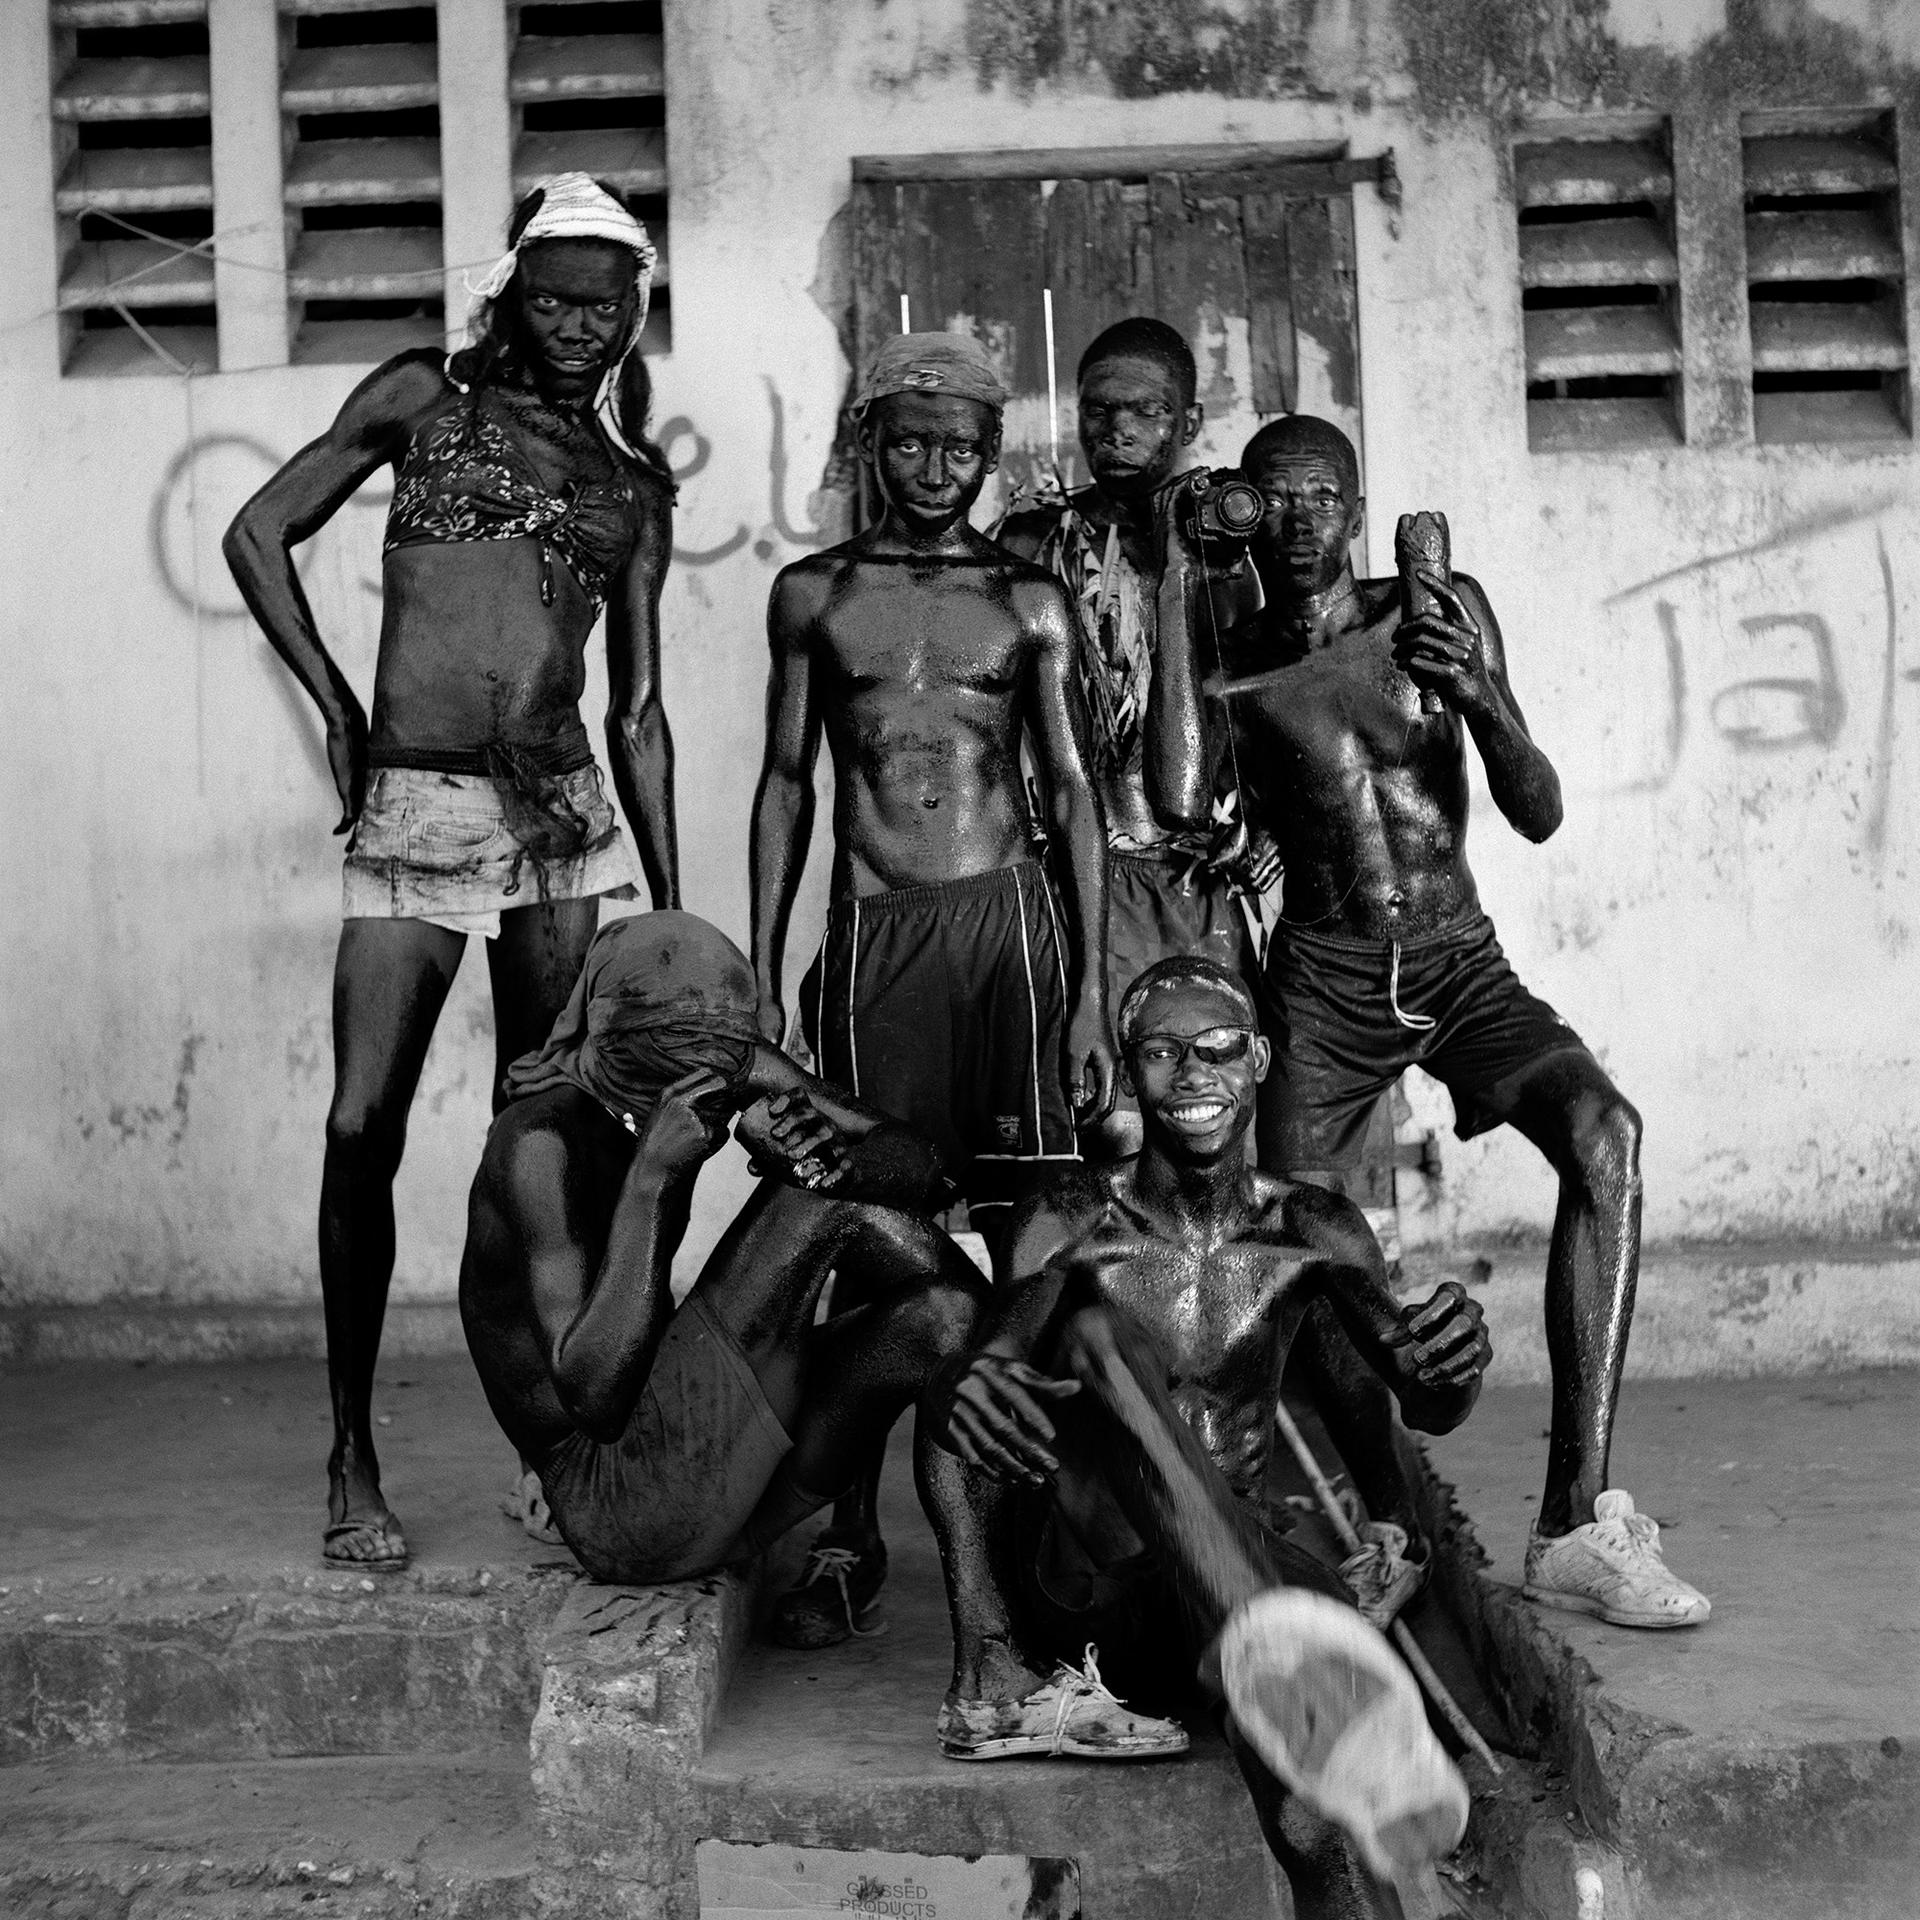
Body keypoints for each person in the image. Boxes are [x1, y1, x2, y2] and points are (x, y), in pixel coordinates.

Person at [1169, 411, 1708, 1628]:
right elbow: (1182, 801)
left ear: (1358, 511)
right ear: (1250, 512)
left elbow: (1540, 811)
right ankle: (1385, 1522)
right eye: (1279, 498)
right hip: (1325, 979)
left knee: (1605, 1135)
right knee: (1296, 1246)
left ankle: (1577, 1517)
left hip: (1460, 961)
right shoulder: (1231, 662)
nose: (1304, 520)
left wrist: (1481, 694)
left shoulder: (1434, 606)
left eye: (1326, 498)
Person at [223, 174, 679, 1571]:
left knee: (542, 1141)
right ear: (508, 290)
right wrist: (341, 712)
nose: (575, 328)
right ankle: (351, 1449)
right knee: (363, 1127)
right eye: (551, 299)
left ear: (631, 314)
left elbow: (639, 714)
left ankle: (557, 1441)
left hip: (557, 830)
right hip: (415, 807)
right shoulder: (422, 398)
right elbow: (257, 533)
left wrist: (671, 899)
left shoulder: (629, 486)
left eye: (602, 308)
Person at [919, 957, 1492, 1917]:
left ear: (1259, 1058)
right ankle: (1269, 1636)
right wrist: (966, 1390)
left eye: (1220, 1049)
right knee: (1101, 1336)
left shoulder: (1313, 1226)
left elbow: (1414, 1399)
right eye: (1163, 1053)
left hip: (1245, 1588)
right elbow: (988, 1375)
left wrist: (1455, 1368)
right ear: (1131, 1071)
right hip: (1100, 1593)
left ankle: (1293, 1700)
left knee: (1315, 1822)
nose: (1194, 1076)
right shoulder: (1068, 1219)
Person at [747, 331, 1114, 1644]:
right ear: (873, 444)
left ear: (988, 452)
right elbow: (788, 782)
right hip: (876, 938)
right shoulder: (813, 596)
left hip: (1007, 934)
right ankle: (847, 1532)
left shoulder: (1028, 600)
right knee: (864, 1229)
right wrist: (761, 963)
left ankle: (1030, 1523)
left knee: (1032, 1231)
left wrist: (1083, 989)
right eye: (911, 442)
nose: (936, 468)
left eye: (962, 446)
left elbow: (1071, 791)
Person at [459, 912, 989, 1588]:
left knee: (945, 1318)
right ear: (615, 1036)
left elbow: (925, 1168)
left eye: (726, 1052)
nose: (711, 1075)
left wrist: (820, 1151)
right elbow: (595, 1402)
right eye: (680, 1048)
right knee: (810, 1198)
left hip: (729, 1487)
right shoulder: (539, 1144)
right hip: (619, 1508)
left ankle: (1038, 1438)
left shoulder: (714, 1057)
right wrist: (652, 1177)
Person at [998, 318, 1269, 1159]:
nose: (1116, 430)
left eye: (1145, 413)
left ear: (1186, 424)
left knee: (1208, 1116)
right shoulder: (1033, 540)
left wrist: (1265, 824)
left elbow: (1257, 705)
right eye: (1099, 410)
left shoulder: (1229, 549)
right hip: (1074, 871)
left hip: (1191, 874)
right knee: (1098, 1115)